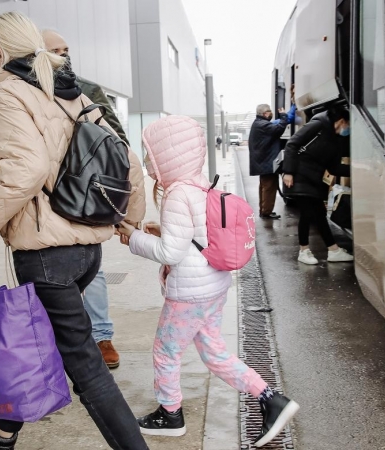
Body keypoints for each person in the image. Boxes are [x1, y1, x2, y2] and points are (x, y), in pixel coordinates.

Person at [0, 12, 147, 450]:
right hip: (85, 249)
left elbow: (26, 170)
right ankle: (2, 431)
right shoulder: (72, 94)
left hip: (46, 253)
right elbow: (126, 160)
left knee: (86, 369)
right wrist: (127, 217)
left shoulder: (8, 95)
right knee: (42, 338)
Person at [116, 115, 299, 447]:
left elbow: (171, 252)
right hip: (214, 286)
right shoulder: (202, 186)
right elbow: (193, 236)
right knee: (214, 352)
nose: (147, 162)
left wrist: (132, 238)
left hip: (190, 293)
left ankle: (170, 415)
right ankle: (270, 398)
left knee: (165, 351)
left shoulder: (176, 194)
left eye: (150, 154)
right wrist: (156, 231)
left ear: (167, 157)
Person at [43, 28, 122, 369]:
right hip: (45, 196)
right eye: (55, 50)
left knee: (93, 268)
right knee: (50, 271)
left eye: (66, 49)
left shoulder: (87, 89)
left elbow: (118, 141)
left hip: (84, 193)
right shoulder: (26, 92)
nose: (64, 56)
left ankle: (102, 336)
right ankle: (62, 339)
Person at [282, 107, 354, 265]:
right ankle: (303, 251)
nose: (348, 129)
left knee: (320, 214)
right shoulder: (318, 125)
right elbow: (292, 144)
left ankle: (333, 251)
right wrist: (288, 171)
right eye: (348, 125)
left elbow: (334, 167)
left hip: (314, 179)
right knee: (308, 213)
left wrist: (357, 170)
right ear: (342, 121)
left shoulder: (335, 139)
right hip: (298, 175)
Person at [248, 103, 296, 219]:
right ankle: (266, 212)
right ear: (265, 113)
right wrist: (284, 115)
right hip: (266, 162)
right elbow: (279, 128)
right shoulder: (263, 125)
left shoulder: (259, 123)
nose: (271, 114)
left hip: (263, 161)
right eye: (269, 112)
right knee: (269, 187)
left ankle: (264, 210)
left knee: (264, 187)